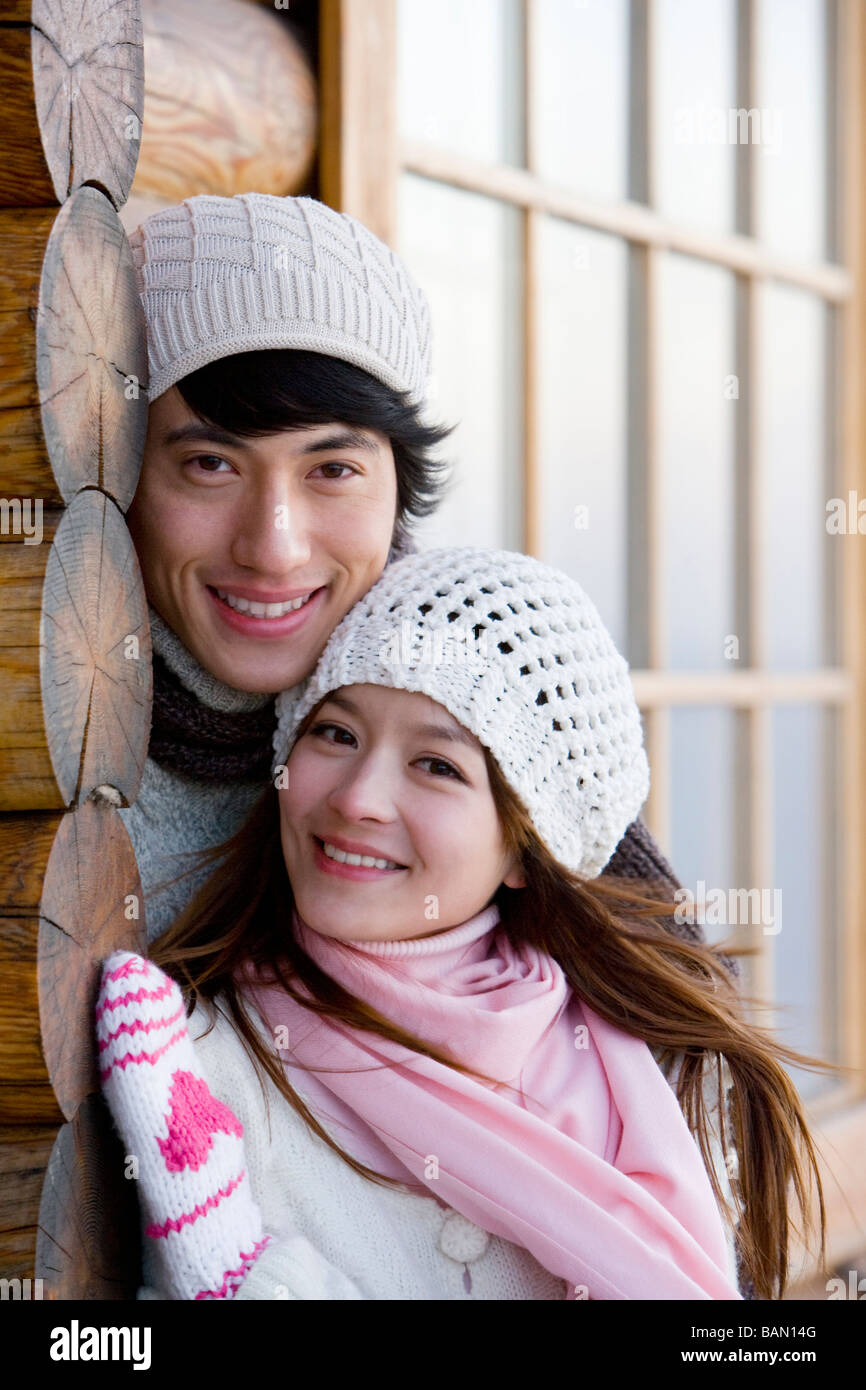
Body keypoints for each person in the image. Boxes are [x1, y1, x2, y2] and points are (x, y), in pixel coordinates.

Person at [96, 548, 829, 1302]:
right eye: (336, 734)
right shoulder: (201, 1070)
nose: (358, 800)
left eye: (438, 766)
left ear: (523, 847)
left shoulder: (654, 1072)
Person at [119, 191, 694, 946]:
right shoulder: (58, 714)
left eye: (331, 470)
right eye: (211, 464)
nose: (274, 548)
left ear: (398, 490)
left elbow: (672, 1021)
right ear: (122, 477)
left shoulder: (480, 680)